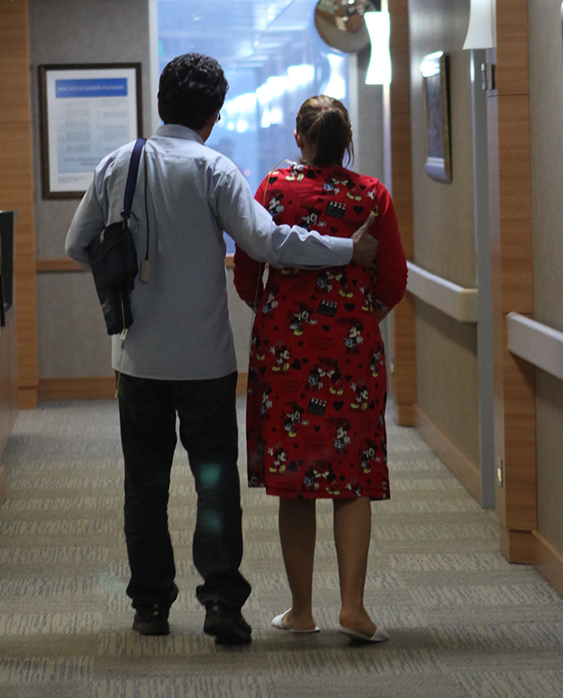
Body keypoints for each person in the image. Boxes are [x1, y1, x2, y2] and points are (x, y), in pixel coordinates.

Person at [66, 54, 378, 647]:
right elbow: (265, 239)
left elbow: (77, 244)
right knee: (214, 482)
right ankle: (220, 604)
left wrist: (130, 271)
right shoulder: (214, 169)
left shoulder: (117, 164)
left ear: (161, 104)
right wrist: (344, 251)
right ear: (213, 115)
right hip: (206, 364)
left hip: (137, 361)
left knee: (145, 484)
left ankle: (151, 605)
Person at [233, 95, 407, 642]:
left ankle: (301, 610)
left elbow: (245, 273)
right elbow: (393, 280)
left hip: (285, 352)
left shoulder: (273, 189)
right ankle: (353, 608)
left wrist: (282, 315)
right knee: (349, 477)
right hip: (353, 354)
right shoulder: (371, 196)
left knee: (296, 481)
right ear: (346, 138)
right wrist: (358, 316)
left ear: (298, 138)